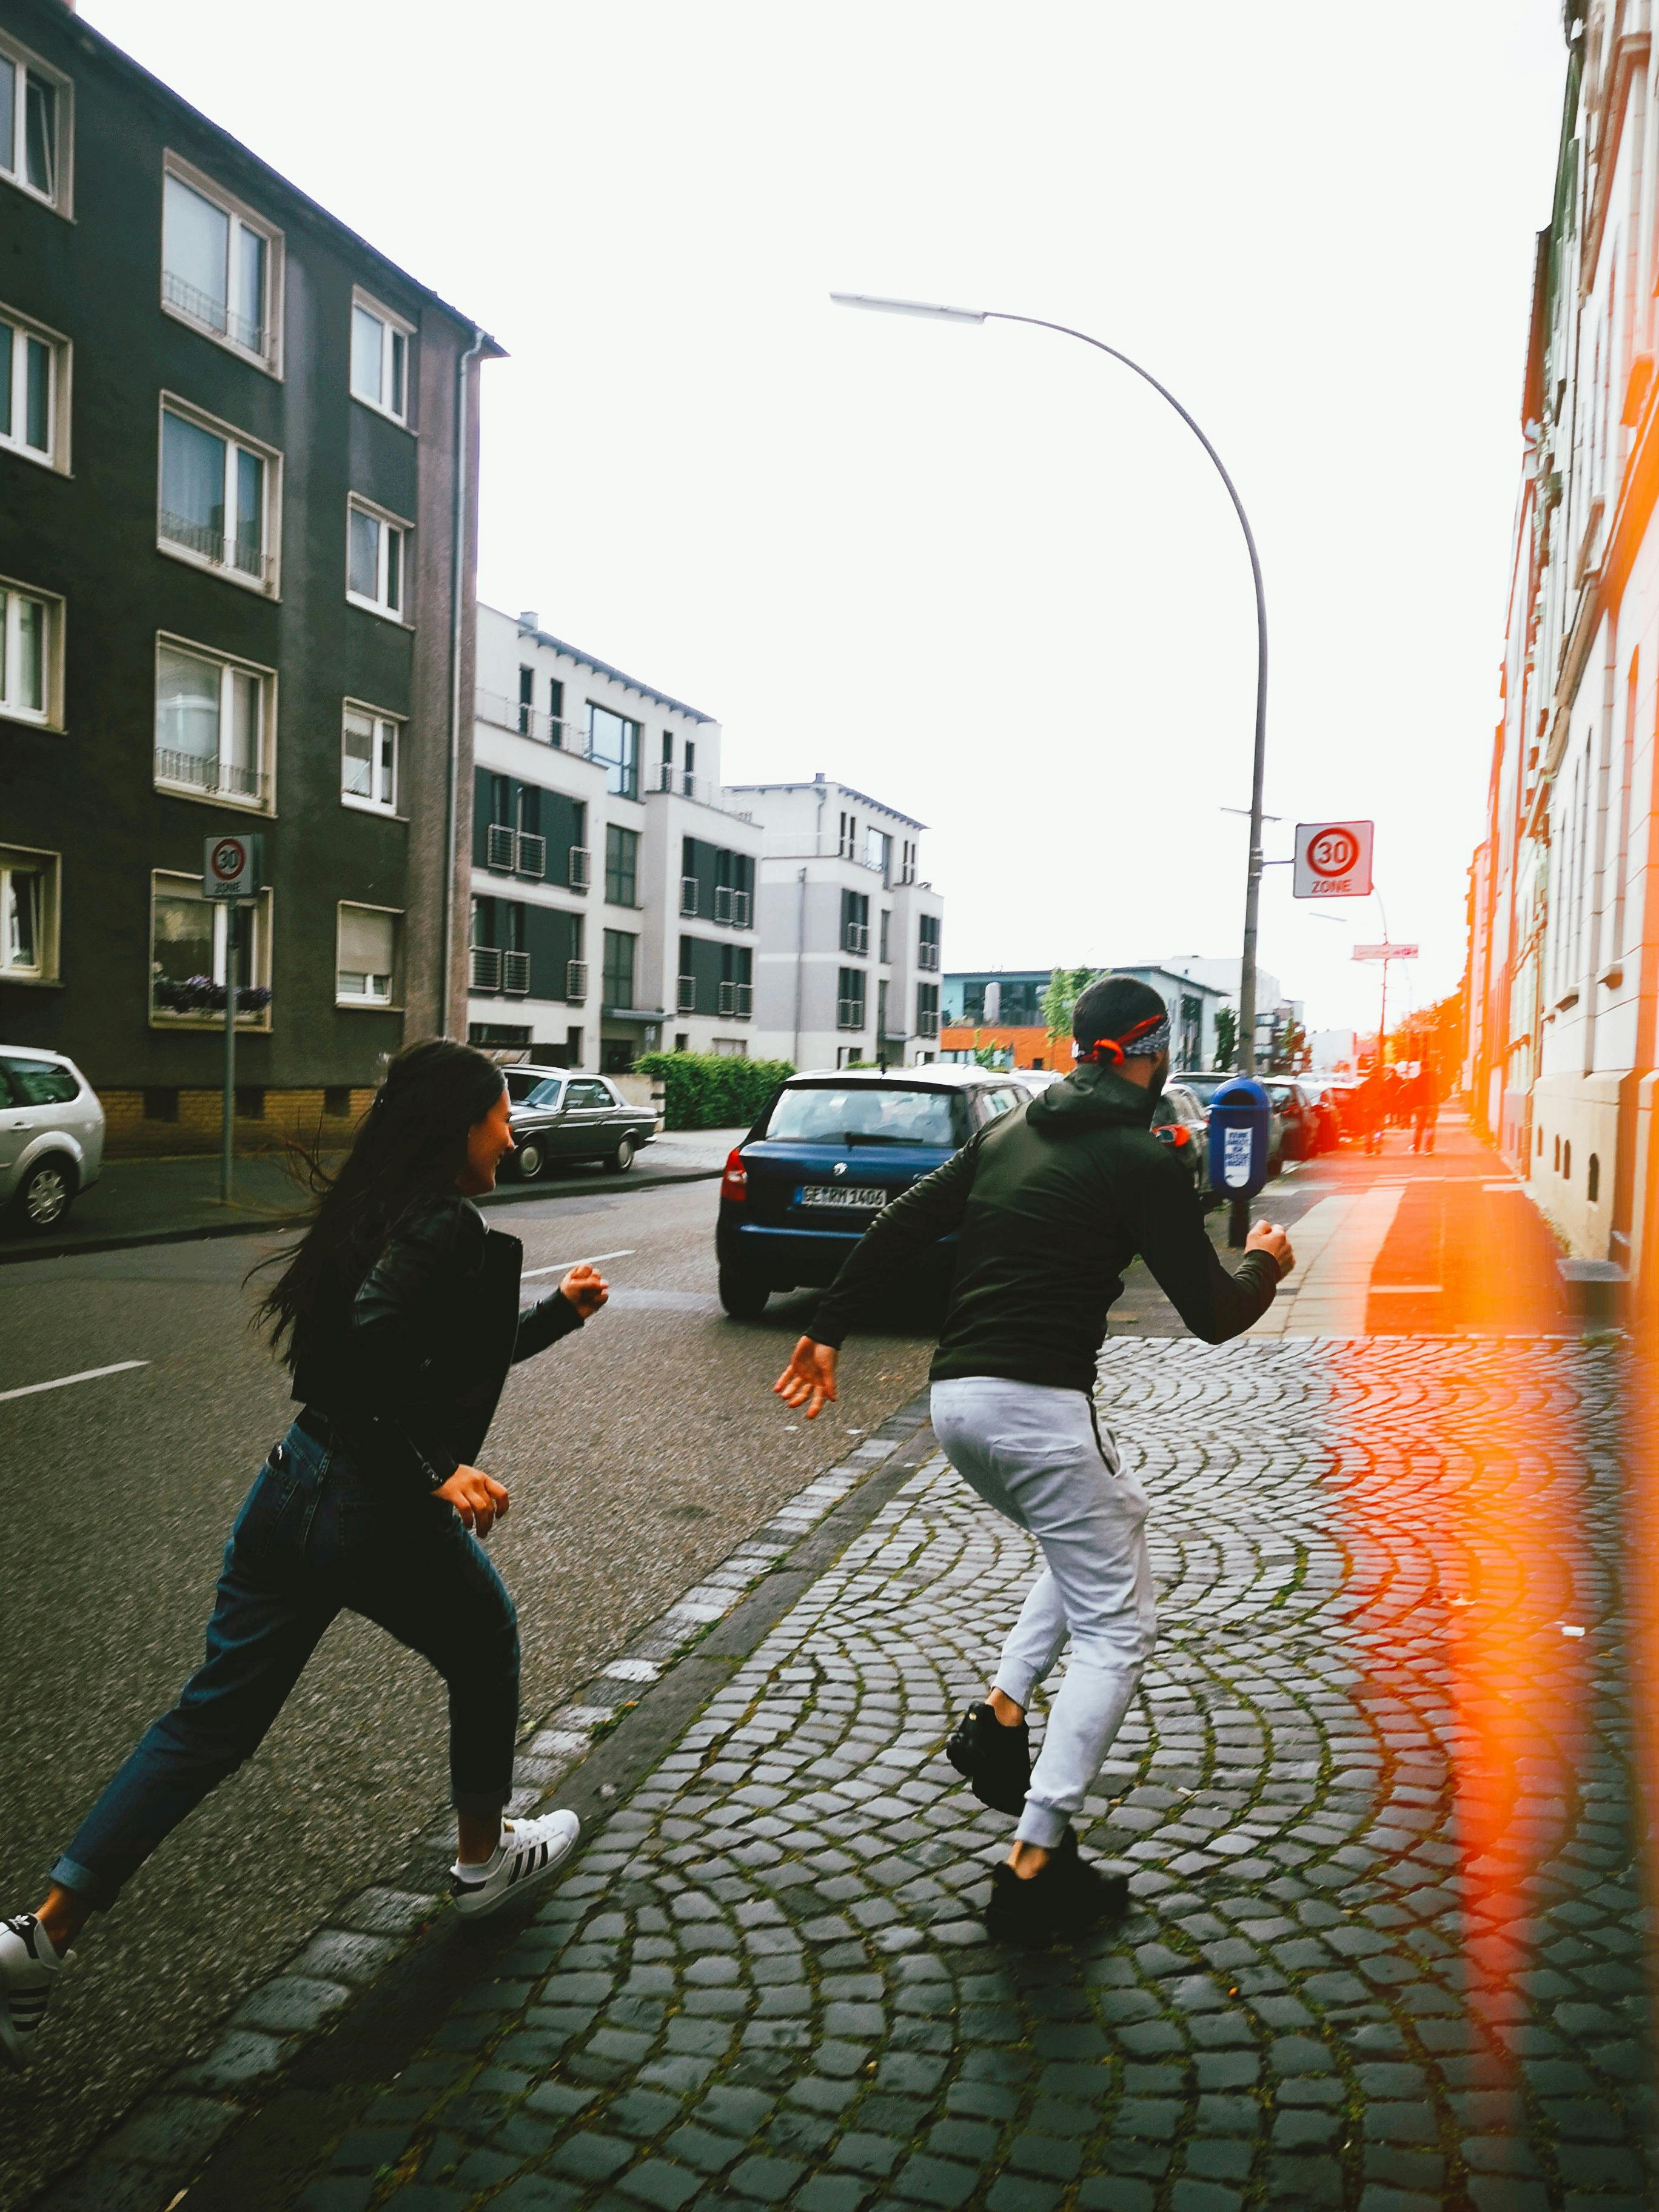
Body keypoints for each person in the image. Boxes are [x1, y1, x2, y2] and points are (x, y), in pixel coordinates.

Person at [0, 1039, 609, 2071]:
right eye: (502, 1114)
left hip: (294, 1482)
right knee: (486, 1634)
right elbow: (367, 1348)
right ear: (457, 1124)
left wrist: (555, 1313)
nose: (512, 1133)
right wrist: (432, 1466)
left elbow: (425, 1354)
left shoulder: (378, 1211)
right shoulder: (440, 1222)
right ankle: (480, 1861)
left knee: (210, 1720)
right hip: (368, 1506)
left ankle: (40, 1934)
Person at [774, 977, 1293, 1946]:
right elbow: (1216, 1318)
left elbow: (901, 1222)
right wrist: (1268, 1258)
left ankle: (1002, 1717)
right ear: (1152, 1048)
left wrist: (827, 1326)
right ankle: (1037, 1857)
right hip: (1037, 1409)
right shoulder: (1140, 1158)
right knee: (1119, 1628)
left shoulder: (1010, 1131)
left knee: (1099, 1530)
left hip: (955, 1404)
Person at [1410, 1062, 1439, 1154]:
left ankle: (1416, 1147)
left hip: (1420, 1107)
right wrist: (1437, 1102)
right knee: (1430, 1127)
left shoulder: (1418, 1079)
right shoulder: (1435, 1078)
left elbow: (1413, 1094)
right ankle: (1428, 1148)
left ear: (1421, 1067)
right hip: (1432, 1105)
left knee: (1419, 1128)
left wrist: (1414, 1106)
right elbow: (1442, 1090)